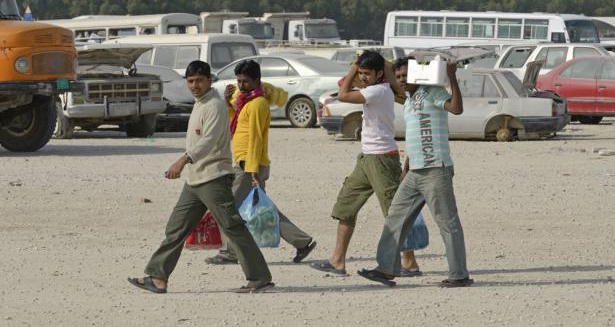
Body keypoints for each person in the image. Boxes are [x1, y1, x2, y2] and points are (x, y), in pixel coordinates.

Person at [127, 60, 274, 294]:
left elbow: (209, 141)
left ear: (209, 80)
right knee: (176, 229)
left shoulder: (214, 105)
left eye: (199, 81)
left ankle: (259, 277)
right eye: (190, 81)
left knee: (233, 227)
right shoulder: (200, 103)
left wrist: (183, 160)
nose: (194, 85)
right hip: (196, 180)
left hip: (213, 177)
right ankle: (157, 277)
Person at [358, 56, 473, 288]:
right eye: (398, 76)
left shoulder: (433, 91)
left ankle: (459, 275)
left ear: (417, 75)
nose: (401, 80)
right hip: (414, 171)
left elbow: (457, 109)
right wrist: (406, 167)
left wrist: (451, 76)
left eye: (405, 76)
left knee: (447, 223)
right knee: (395, 218)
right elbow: (417, 134)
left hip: (435, 169)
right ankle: (386, 269)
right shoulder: (409, 100)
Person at [310, 51, 421, 277]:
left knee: (394, 212)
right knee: (346, 207)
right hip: (366, 157)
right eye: (361, 73)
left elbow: (342, 95)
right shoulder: (375, 89)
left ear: (379, 74)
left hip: (382, 159)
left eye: (366, 73)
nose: (363, 77)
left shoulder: (379, 91)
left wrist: (353, 67)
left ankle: (409, 262)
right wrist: (359, 67)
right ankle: (337, 261)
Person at [205, 60, 317, 265]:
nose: (241, 85)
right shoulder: (245, 101)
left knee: (230, 207)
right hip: (244, 162)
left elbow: (256, 138)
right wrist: (229, 102)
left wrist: (252, 171)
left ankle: (231, 252)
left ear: (257, 80)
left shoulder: (258, 104)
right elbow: (236, 124)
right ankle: (301, 242)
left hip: (248, 164)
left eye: (246, 81)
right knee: (262, 208)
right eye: (239, 81)